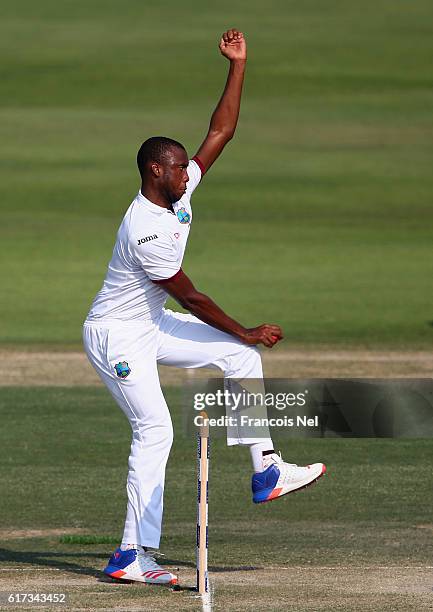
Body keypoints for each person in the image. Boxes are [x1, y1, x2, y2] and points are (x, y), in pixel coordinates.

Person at [83, 29, 326, 586]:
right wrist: (244, 326)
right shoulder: (145, 231)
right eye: (176, 170)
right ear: (153, 173)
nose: (186, 174)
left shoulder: (178, 190)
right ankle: (131, 555)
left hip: (149, 324)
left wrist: (239, 65)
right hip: (116, 336)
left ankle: (266, 469)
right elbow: (189, 295)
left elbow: (222, 130)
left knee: (241, 359)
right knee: (157, 431)